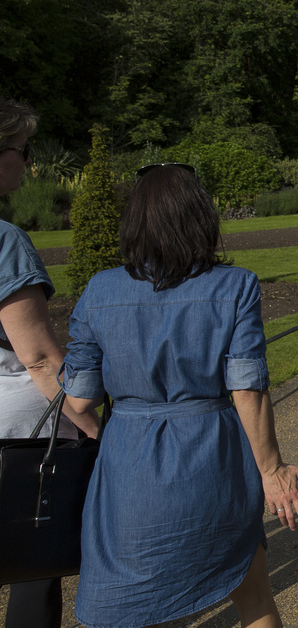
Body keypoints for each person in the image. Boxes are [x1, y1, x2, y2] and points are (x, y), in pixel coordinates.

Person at [61, 163, 298, 628]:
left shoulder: (99, 290)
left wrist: (117, 431)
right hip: (213, 459)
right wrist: (272, 470)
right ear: (201, 217)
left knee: (144, 608)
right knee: (254, 597)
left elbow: (77, 401)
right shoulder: (234, 286)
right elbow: (247, 390)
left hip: (130, 470)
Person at [0, 98, 100, 628]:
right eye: (23, 149)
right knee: (31, 562)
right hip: (16, 429)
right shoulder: (4, 241)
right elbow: (39, 359)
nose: (27, 162)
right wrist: (93, 426)